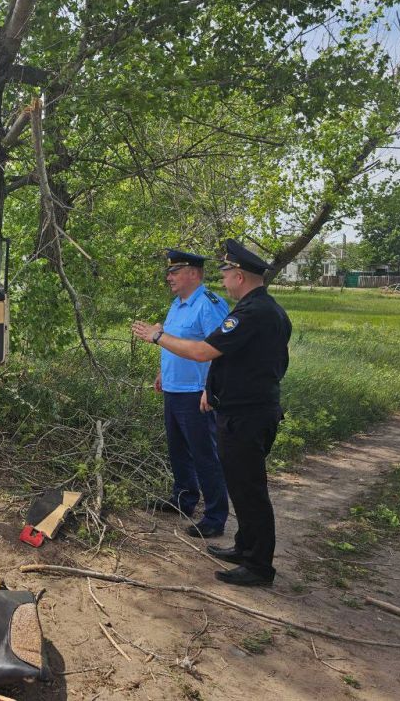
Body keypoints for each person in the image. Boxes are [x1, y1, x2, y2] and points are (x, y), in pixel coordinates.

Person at [132, 239, 292, 587]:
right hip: (241, 407)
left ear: (240, 275)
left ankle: (259, 566)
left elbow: (207, 351)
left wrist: (158, 338)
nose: (224, 278)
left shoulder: (251, 312)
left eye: (227, 272)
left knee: (249, 490)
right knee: (241, 483)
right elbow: (245, 359)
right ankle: (244, 547)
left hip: (247, 413)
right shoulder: (264, 310)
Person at [152, 249, 231, 540]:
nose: (168, 277)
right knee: (179, 451)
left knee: (204, 455)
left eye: (175, 271)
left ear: (194, 274)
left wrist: (212, 389)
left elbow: (223, 351)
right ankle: (183, 500)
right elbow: (175, 343)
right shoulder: (178, 304)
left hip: (197, 393)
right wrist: (163, 372)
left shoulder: (209, 305)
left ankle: (214, 516)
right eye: (169, 272)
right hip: (174, 389)